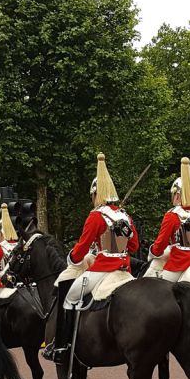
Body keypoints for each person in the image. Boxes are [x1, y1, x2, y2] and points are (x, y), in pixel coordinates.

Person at [42, 153, 139, 364]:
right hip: (124, 270)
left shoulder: (96, 215)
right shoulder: (125, 216)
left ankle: (61, 346)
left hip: (103, 269)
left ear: (96, 194)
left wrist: (74, 259)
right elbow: (134, 246)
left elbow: (81, 248)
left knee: (69, 297)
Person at [148, 157, 190, 281]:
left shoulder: (172, 215)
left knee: (158, 288)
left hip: (179, 263)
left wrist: (153, 252)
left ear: (177, 195)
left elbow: (161, 244)